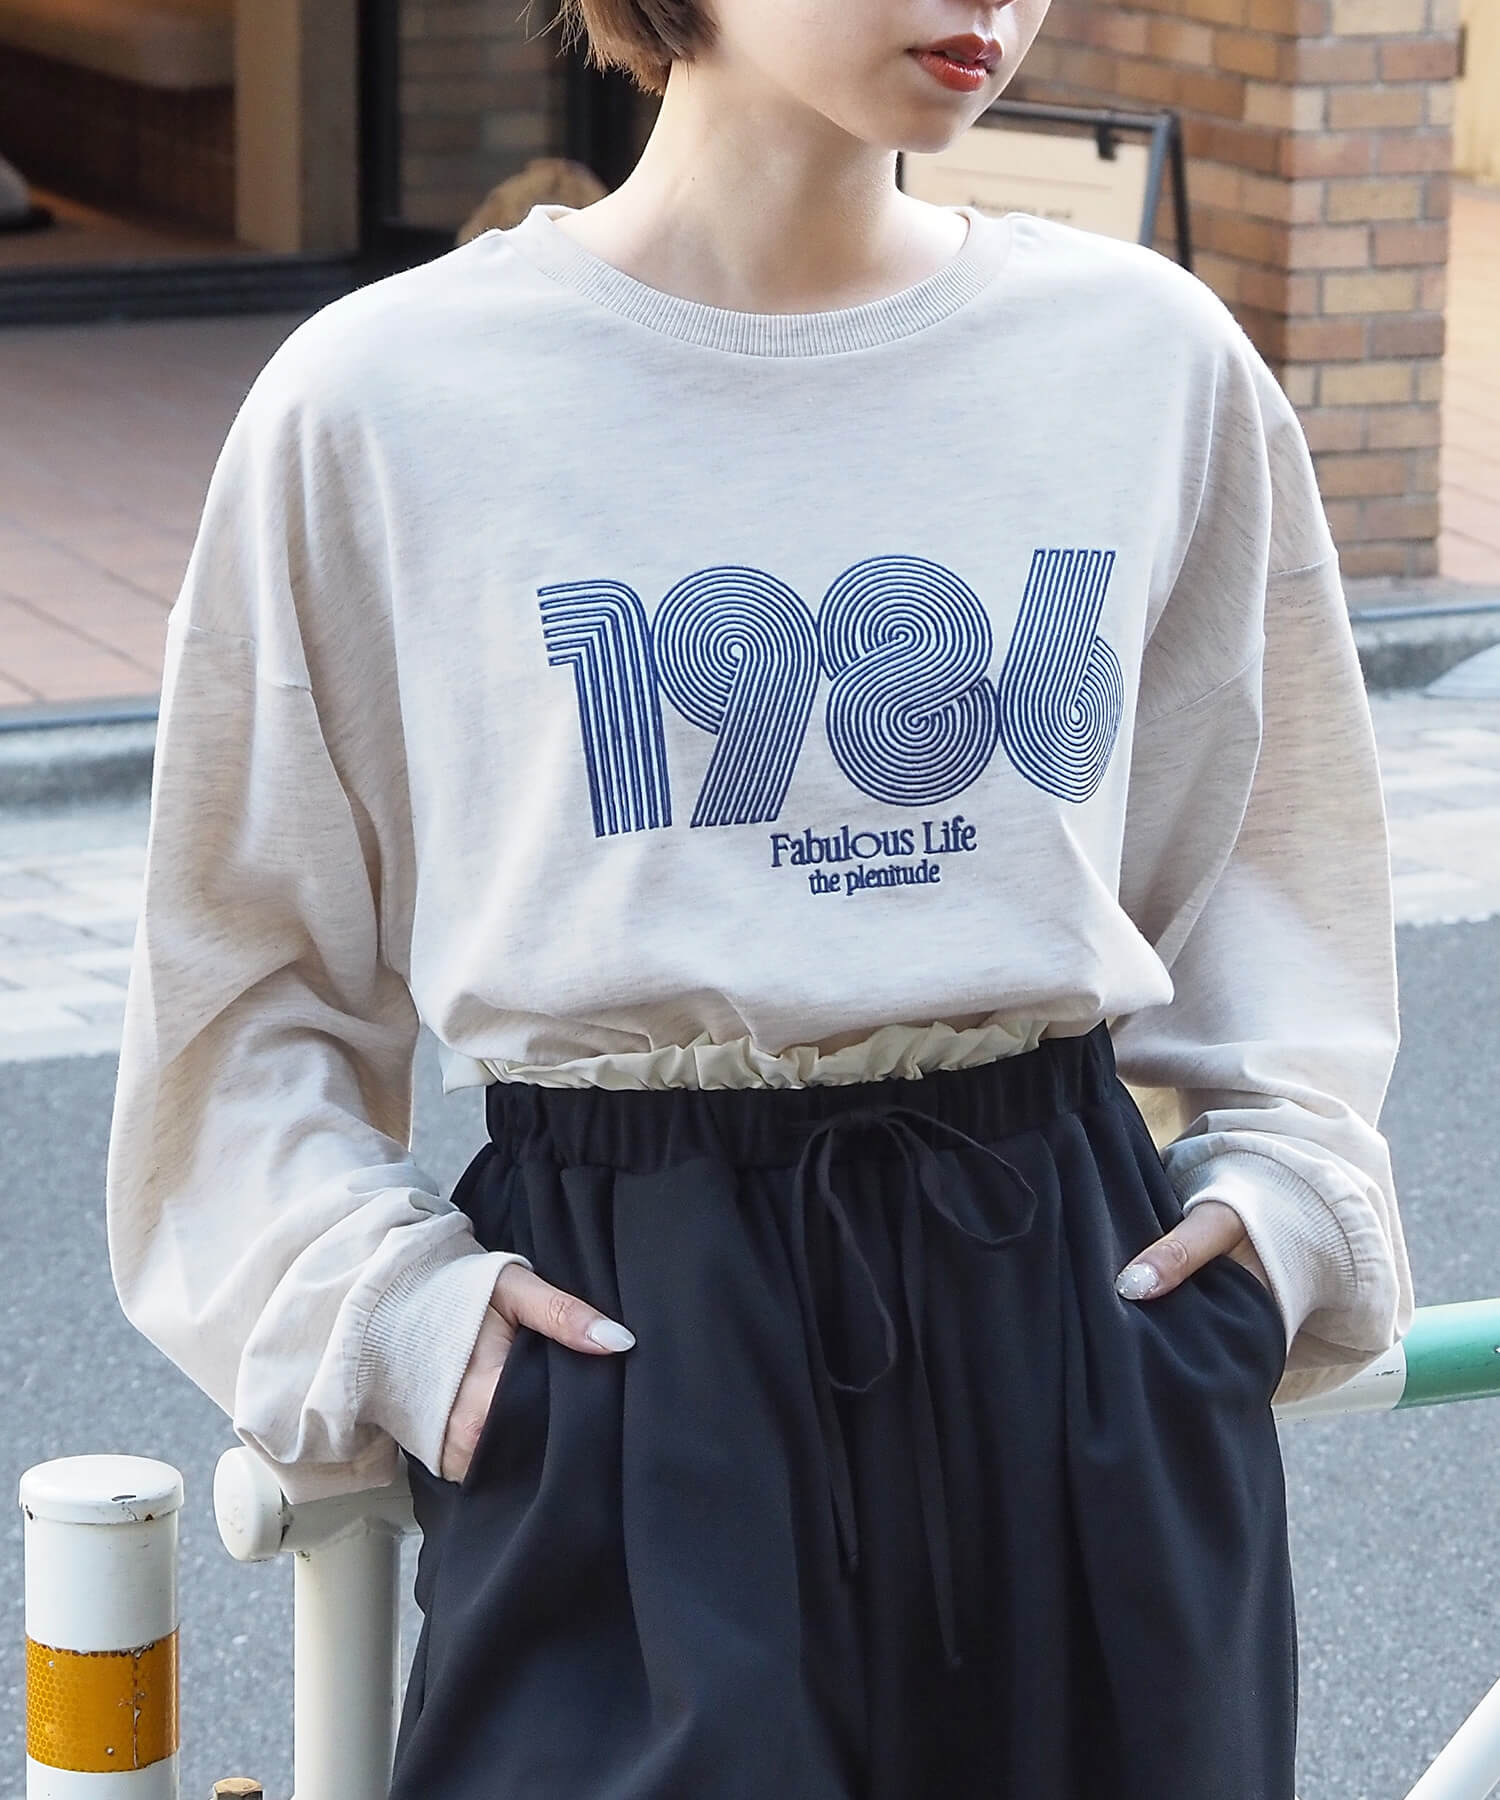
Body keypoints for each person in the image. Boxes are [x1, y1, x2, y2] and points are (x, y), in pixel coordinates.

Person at [105, 0, 1415, 1792]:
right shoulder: (387, 399)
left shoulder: (1145, 359)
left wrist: (1284, 1210)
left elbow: (1274, 864)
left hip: (1077, 1322)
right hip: (630, 1338)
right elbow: (242, 976)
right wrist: (397, 1319)